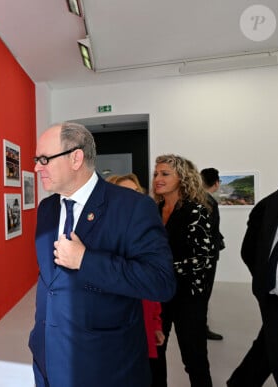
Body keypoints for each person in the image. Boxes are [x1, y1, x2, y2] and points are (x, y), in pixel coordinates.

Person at [28, 122, 175, 386]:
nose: (37, 167)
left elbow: (161, 281)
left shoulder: (133, 207)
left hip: (104, 364)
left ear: (76, 158)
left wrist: (85, 260)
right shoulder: (47, 208)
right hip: (47, 357)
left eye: (44, 159)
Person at [152, 154, 216, 387]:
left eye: (165, 174)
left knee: (194, 358)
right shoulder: (154, 210)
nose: (158, 178)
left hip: (188, 296)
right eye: (156, 173)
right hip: (159, 295)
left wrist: (162, 268)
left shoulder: (196, 211)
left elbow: (203, 259)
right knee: (155, 355)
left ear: (182, 178)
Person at [106, 174, 166, 377]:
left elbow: (153, 287)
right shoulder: (100, 241)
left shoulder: (146, 238)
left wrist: (156, 325)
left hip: (143, 327)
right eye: (125, 194)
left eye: (137, 193)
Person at [227, 186, 278, 386]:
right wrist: (268, 282)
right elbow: (249, 250)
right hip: (276, 300)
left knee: (267, 347)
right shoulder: (268, 204)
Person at [200, 167, 226, 341]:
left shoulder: (198, 200)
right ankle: (201, 328)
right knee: (203, 292)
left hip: (203, 255)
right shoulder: (209, 202)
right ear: (216, 183)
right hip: (207, 257)